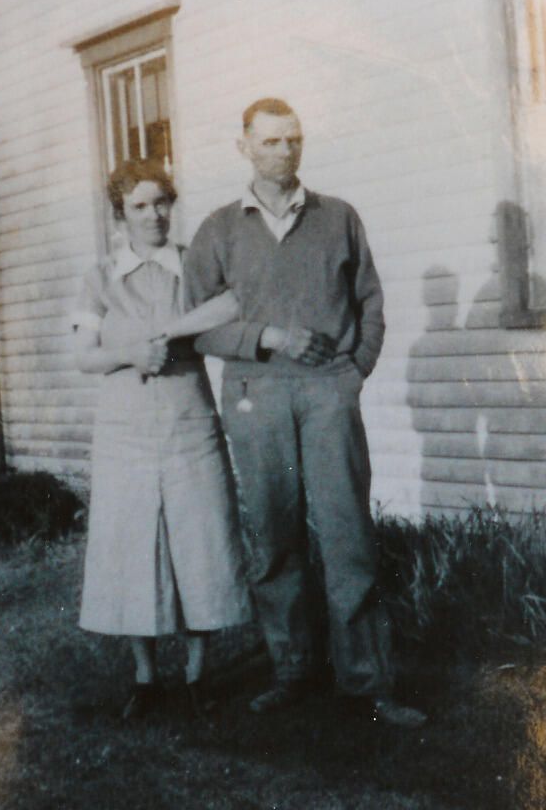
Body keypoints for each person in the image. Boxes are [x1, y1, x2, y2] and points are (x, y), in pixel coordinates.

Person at [183, 98, 426, 727]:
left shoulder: (337, 217)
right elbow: (196, 327)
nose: (284, 151)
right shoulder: (218, 230)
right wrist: (265, 337)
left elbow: (370, 301)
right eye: (269, 141)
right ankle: (292, 670)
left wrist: (353, 372)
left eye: (292, 139)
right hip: (255, 395)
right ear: (243, 147)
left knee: (347, 534)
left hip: (327, 395)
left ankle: (367, 680)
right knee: (273, 536)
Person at [72, 158, 251, 721]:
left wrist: (175, 334)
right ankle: (145, 677)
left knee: (201, 544)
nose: (153, 216)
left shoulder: (194, 267)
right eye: (139, 207)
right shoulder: (100, 277)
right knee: (132, 549)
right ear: (120, 215)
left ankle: (198, 673)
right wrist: (130, 353)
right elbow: (84, 357)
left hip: (188, 424)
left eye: (161, 203)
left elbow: (232, 307)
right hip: (125, 433)